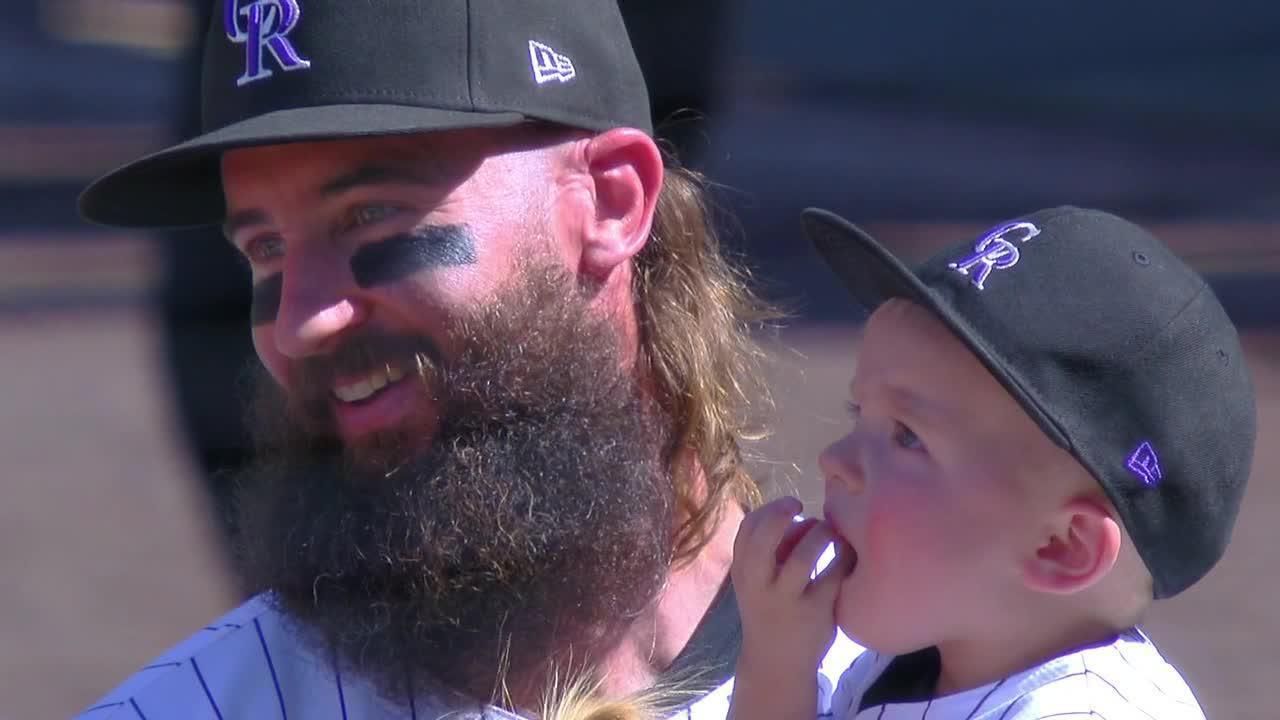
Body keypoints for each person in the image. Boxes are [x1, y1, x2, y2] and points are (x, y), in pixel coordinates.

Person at [72, 1, 864, 718]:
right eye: (266, 249)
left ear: (611, 202)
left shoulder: (912, 673)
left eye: (370, 216)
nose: (302, 321)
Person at [727, 206, 1256, 719]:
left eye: (908, 437)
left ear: (1061, 546)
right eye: (857, 413)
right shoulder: (908, 659)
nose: (834, 460)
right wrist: (777, 670)